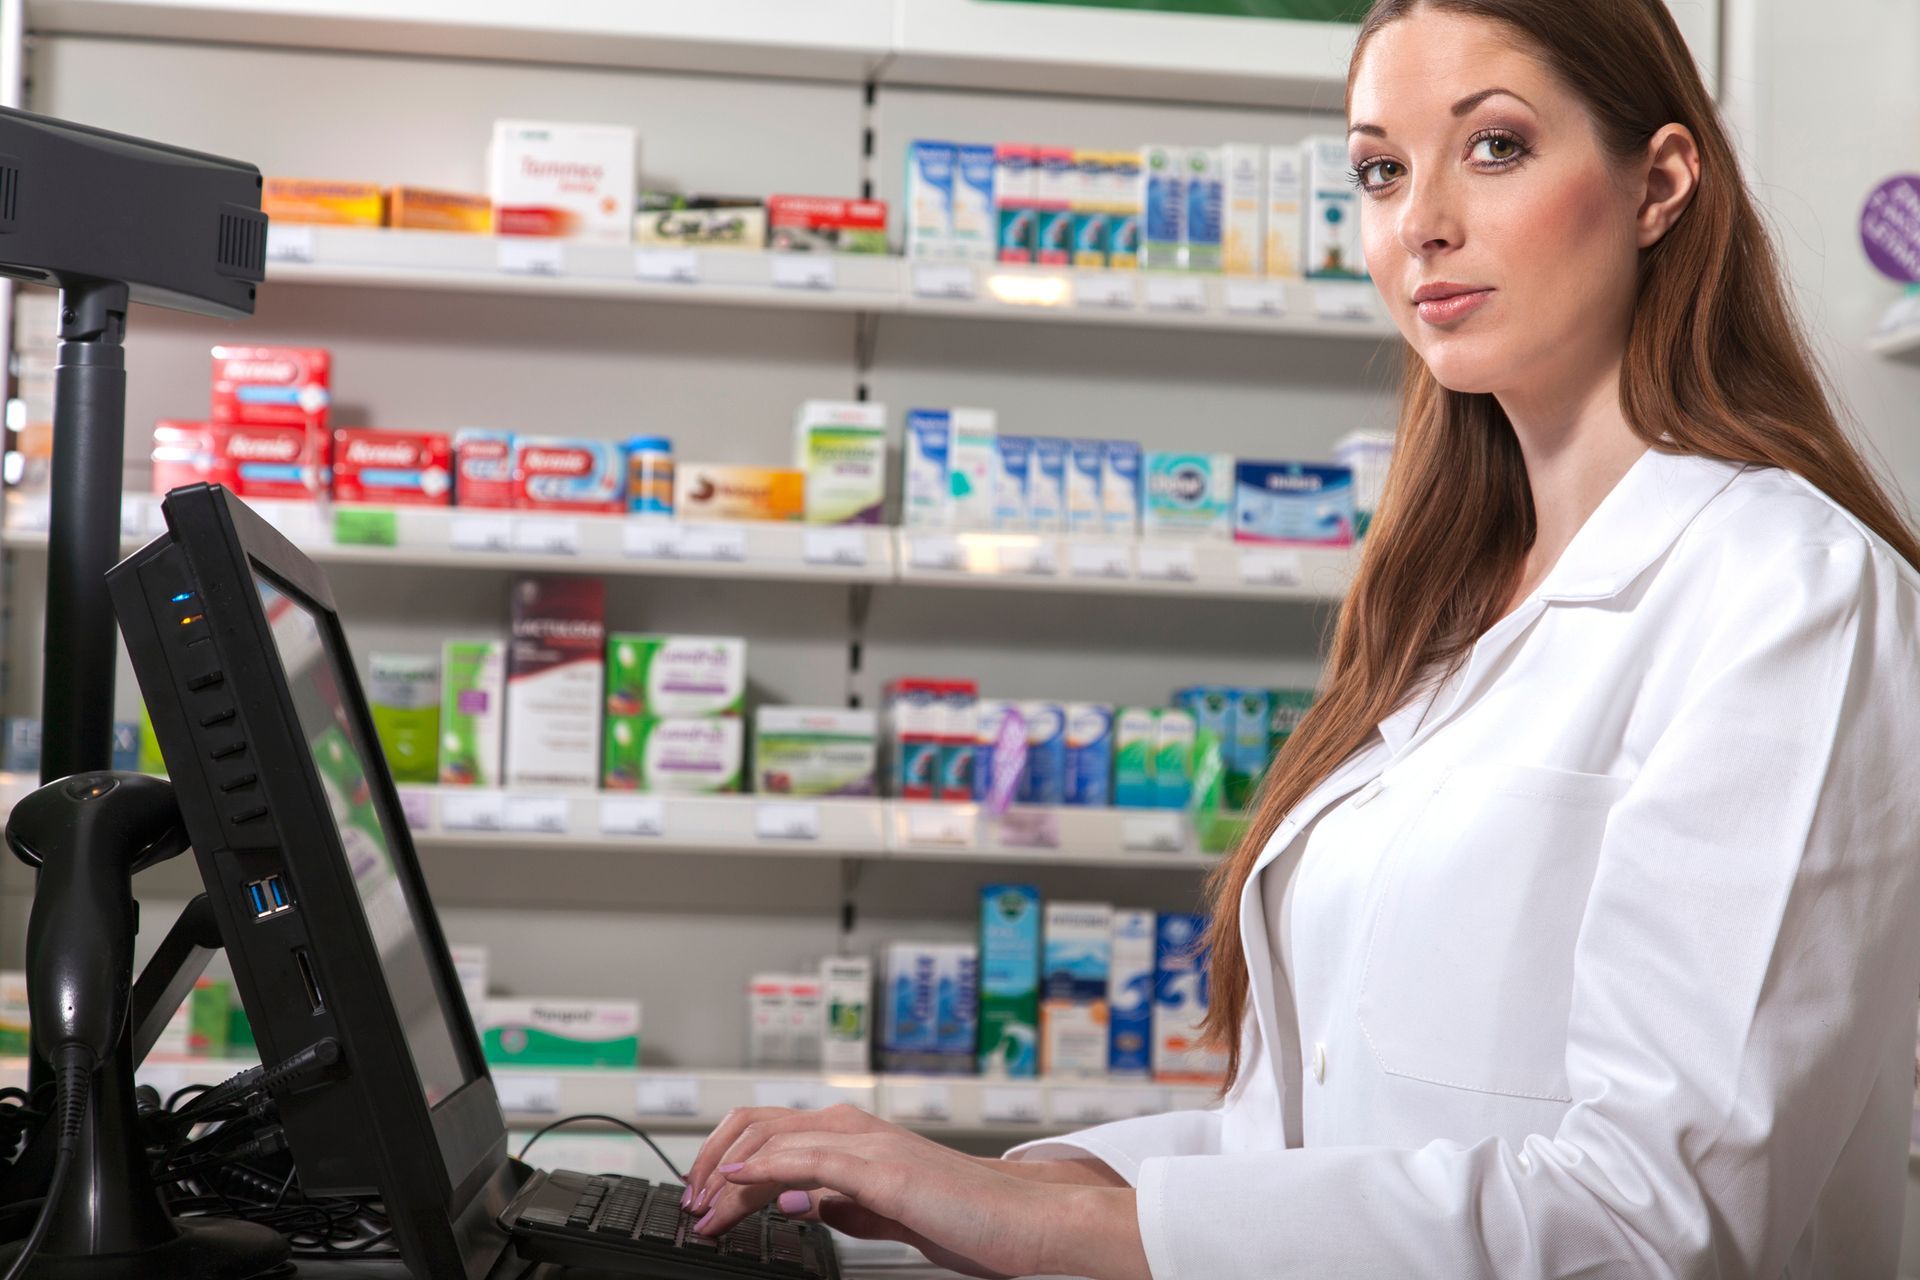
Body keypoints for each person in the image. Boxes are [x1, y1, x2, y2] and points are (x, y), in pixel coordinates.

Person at [677, 0, 1920, 1274]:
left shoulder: (1789, 594)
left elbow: (1660, 1221)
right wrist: (977, 1187)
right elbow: (1310, 1145)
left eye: (1493, 146)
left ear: (1658, 183)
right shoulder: (1439, 616)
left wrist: (1064, 1229)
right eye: (1381, 168)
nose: (1419, 218)